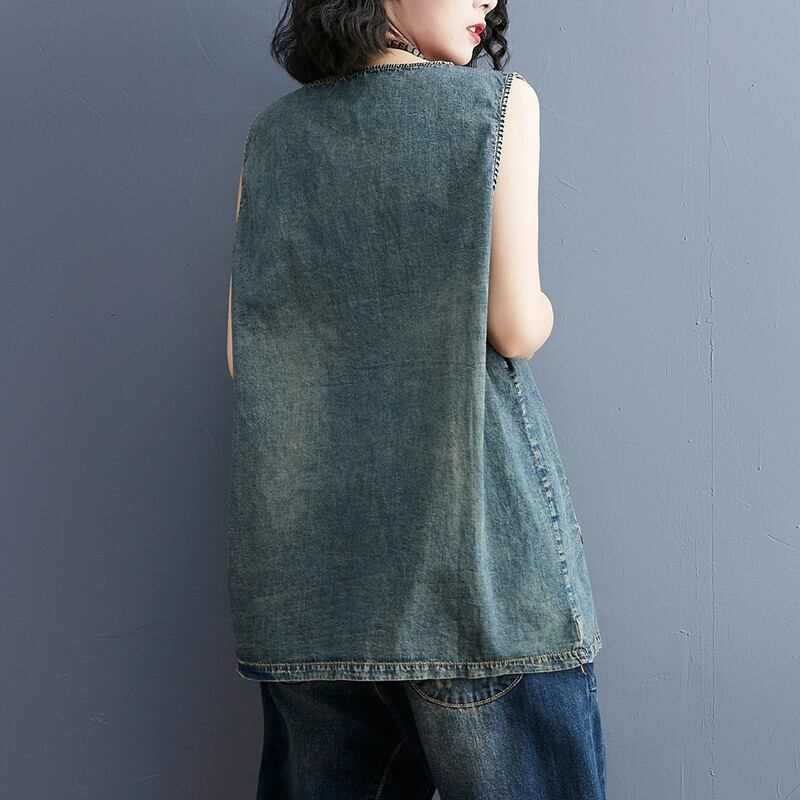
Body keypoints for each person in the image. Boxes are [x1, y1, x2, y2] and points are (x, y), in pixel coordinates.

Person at [226, 1, 607, 797]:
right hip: (474, 584)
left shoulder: (273, 135)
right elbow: (515, 327)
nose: (489, 2)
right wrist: (547, 309)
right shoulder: (497, 105)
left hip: (310, 595)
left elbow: (244, 357)